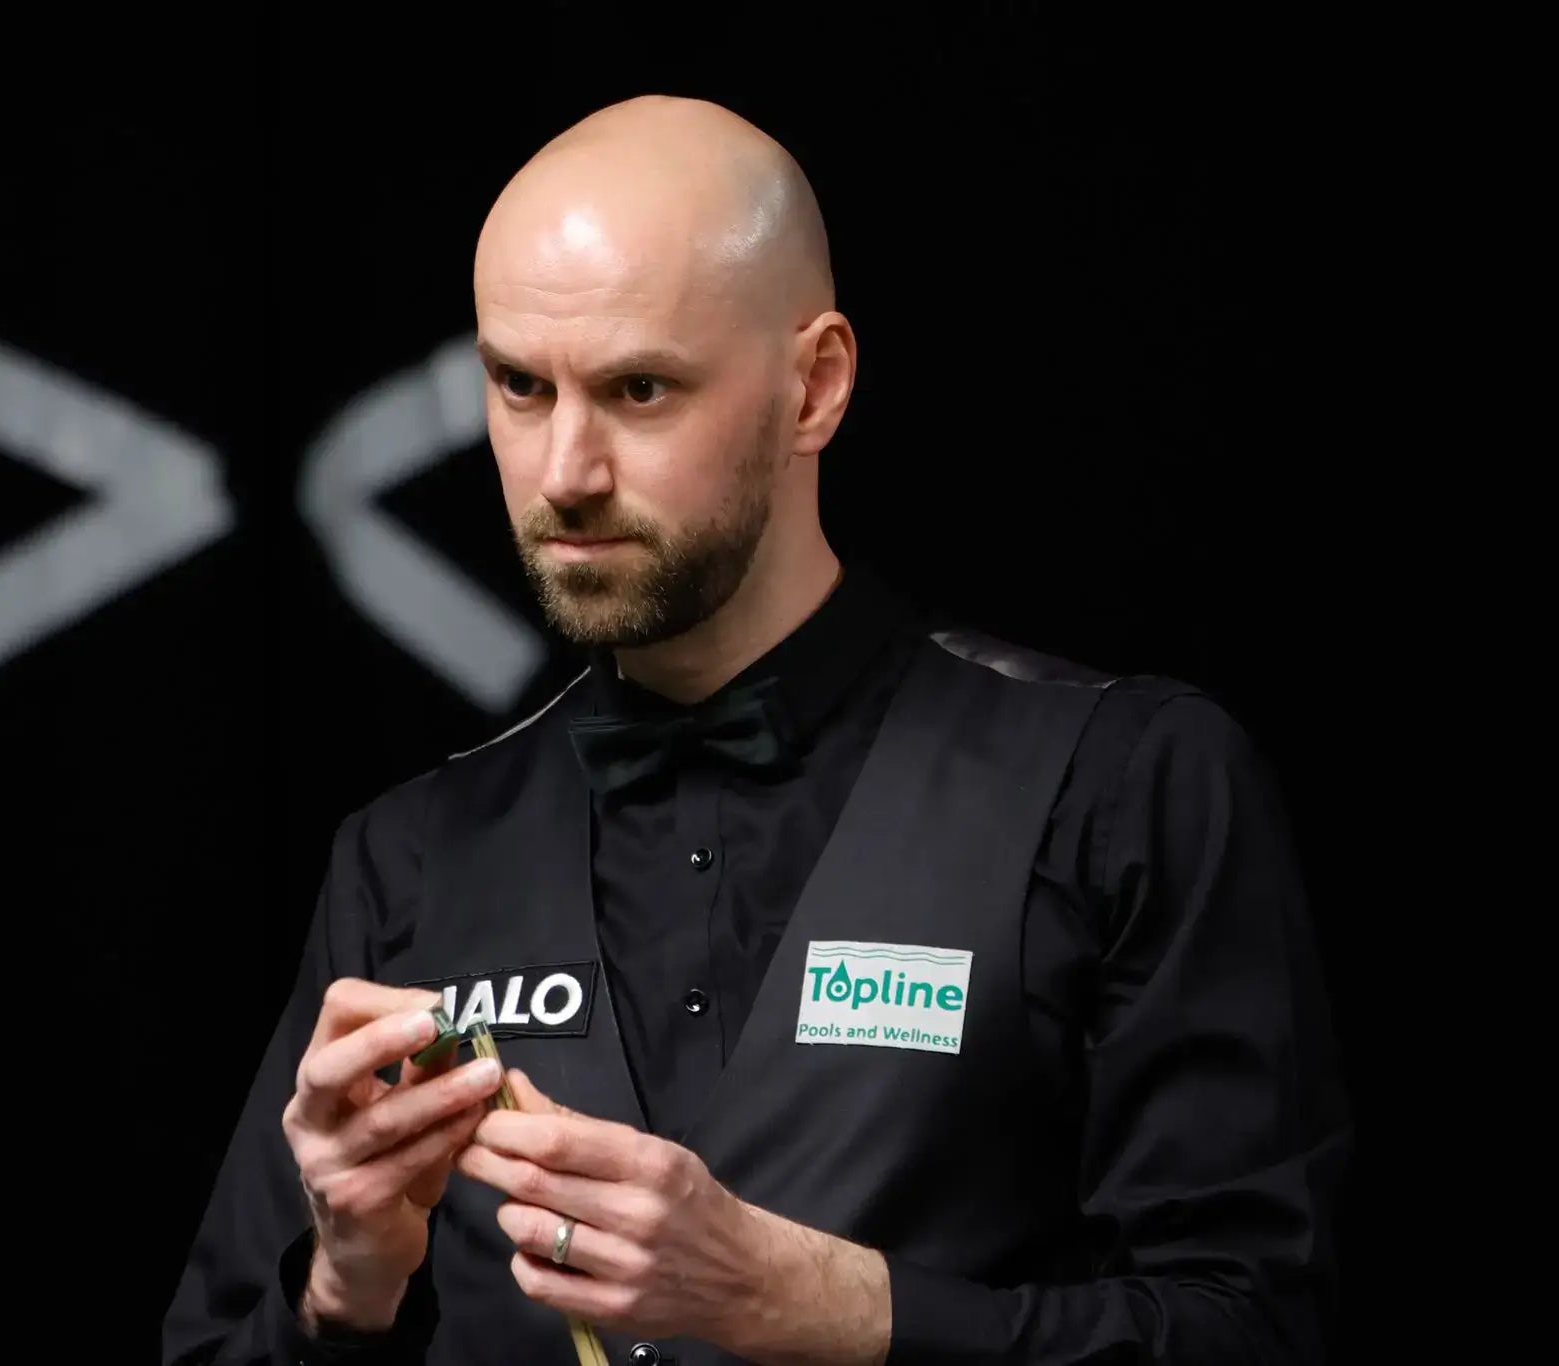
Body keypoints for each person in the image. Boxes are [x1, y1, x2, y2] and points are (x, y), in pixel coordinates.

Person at [160, 95, 1351, 1366]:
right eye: (518, 385)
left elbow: (1254, 1330)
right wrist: (344, 1291)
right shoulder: (405, 858)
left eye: (639, 389)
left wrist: (824, 1304)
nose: (563, 468)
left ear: (813, 387)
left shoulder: (1116, 786)